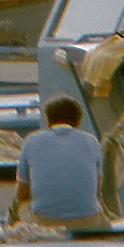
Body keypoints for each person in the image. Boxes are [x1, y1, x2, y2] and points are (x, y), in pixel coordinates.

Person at [12, 94, 111, 229]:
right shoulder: (91, 141)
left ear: (48, 120)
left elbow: (22, 194)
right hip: (89, 222)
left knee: (19, 205)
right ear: (78, 121)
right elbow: (97, 191)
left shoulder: (32, 141)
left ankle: (8, 234)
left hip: (45, 223)